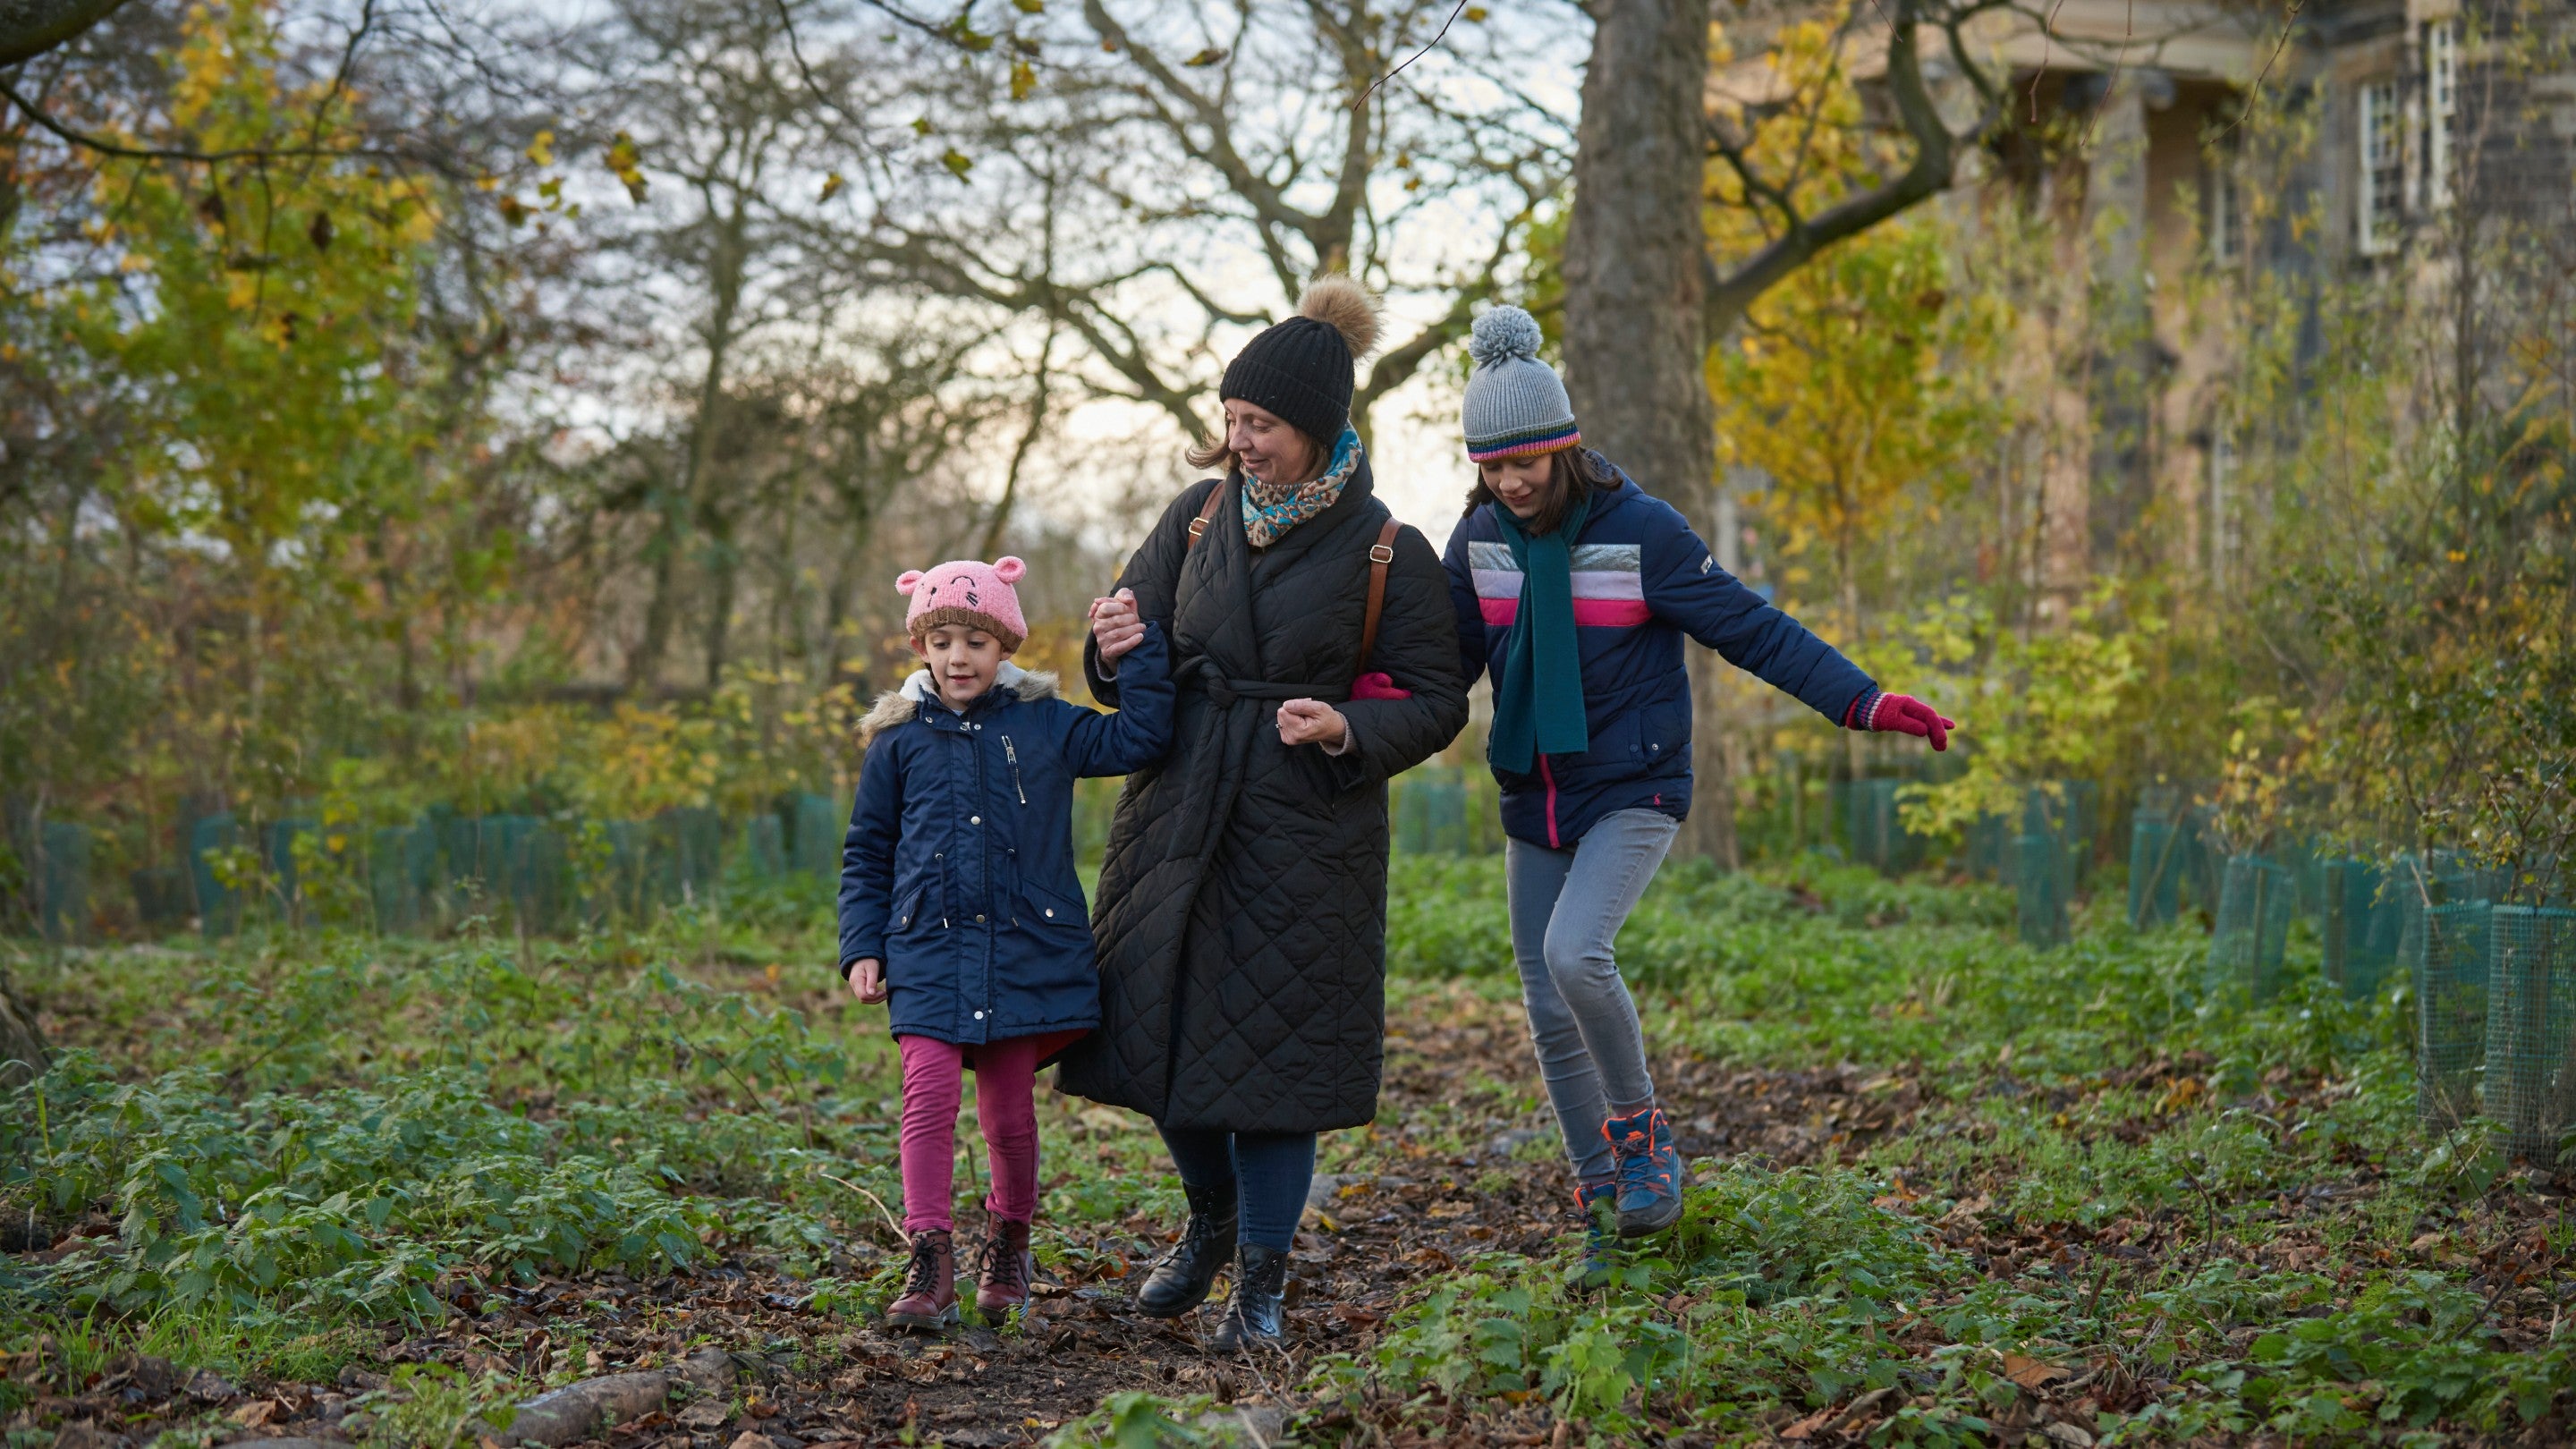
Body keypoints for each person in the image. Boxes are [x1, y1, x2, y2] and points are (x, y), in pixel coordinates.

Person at [1439, 306, 1954, 1267]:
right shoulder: (1478, 541)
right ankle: (1609, 1215)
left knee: (1575, 954)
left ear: (1563, 447)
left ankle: (1645, 1145)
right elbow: (1440, 665)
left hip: (1633, 787)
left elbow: (1754, 629)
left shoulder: (1643, 533)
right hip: (1534, 791)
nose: (1510, 484)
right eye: (1492, 467)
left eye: (1527, 464)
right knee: (1548, 1008)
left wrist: (1864, 701)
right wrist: (1357, 713)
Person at [1060, 276, 1471, 1351]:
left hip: (1305, 831)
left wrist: (1345, 731)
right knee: (1156, 1035)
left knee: (1279, 1070)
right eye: (1233, 420)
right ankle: (1211, 1222)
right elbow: (1130, 641)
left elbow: (1437, 698)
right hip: (1178, 810)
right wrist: (1108, 651)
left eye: (1263, 426)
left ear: (1321, 428)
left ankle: (1263, 1280)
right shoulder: (1191, 520)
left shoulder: (1390, 549)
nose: (1240, 442)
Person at [837, 555, 1174, 1330]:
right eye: (943, 640)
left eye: (977, 642)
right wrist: (864, 943)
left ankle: (1009, 1241)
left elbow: (1144, 737)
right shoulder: (897, 742)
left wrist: (1135, 655)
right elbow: (868, 850)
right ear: (922, 646)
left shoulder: (1046, 724)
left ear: (1005, 648)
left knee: (1008, 1115)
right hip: (925, 946)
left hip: (1026, 949)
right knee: (926, 1097)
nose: (959, 657)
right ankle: (929, 1259)